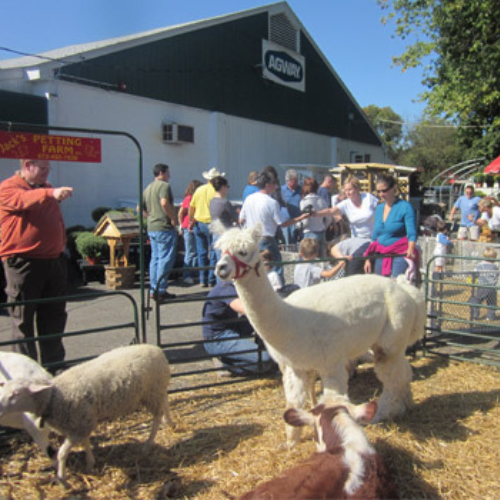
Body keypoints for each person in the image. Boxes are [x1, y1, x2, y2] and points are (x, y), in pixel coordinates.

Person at [0, 159, 73, 371]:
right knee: (23, 319)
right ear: (27, 166)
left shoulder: (46, 188)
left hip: (53, 260)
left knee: (54, 315)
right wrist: (50, 194)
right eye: (42, 169)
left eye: (48, 169)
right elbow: (22, 200)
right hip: (24, 261)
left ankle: (54, 363)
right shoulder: (9, 188)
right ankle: (25, 370)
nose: (46, 173)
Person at [239, 171, 309, 283]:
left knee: (253, 268)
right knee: (276, 266)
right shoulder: (271, 202)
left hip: (251, 239)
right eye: (274, 183)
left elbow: (241, 219)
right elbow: (282, 223)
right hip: (266, 239)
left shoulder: (249, 199)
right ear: (267, 185)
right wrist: (299, 218)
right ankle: (279, 292)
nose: (276, 186)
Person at [202, 280, 276, 374]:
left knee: (261, 316)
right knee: (265, 359)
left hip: (233, 327)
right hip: (218, 338)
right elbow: (245, 309)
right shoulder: (226, 287)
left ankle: (261, 348)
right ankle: (226, 365)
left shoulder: (241, 285)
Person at [364, 173, 418, 279]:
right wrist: (368, 258)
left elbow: (411, 232)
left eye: (384, 190)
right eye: (378, 191)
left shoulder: (405, 207)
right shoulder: (379, 208)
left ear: (393, 188)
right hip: (381, 253)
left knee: (396, 285)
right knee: (380, 284)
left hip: (400, 253)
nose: (381, 194)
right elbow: (375, 235)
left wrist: (411, 249)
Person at [142, 163, 178, 301]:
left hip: (152, 227)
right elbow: (164, 202)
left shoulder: (148, 188)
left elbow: (141, 208)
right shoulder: (164, 186)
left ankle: (153, 288)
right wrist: (172, 217)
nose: (169, 176)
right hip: (164, 226)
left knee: (155, 258)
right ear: (162, 173)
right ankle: (160, 290)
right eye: (168, 173)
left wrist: (150, 217)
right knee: (165, 258)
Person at [189, 167, 225, 287]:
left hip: (199, 222)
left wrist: (191, 220)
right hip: (212, 223)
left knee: (201, 253)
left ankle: (202, 279)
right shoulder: (216, 191)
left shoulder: (199, 190)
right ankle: (211, 279)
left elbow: (191, 207)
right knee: (214, 252)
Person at [314, 175, 379, 241]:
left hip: (373, 238)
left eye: (350, 190)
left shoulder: (368, 197)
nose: (347, 193)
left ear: (357, 189)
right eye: (346, 190)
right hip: (357, 240)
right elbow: (331, 211)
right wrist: (316, 213)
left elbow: (382, 209)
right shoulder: (345, 203)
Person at [209, 175, 239, 264]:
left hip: (215, 233)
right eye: (227, 187)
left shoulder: (212, 201)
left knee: (218, 261)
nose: (228, 189)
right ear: (223, 187)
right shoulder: (225, 203)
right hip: (226, 234)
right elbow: (235, 218)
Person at [178, 180, 202, 285]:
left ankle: (192, 273)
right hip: (188, 227)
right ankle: (187, 275)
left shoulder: (191, 198)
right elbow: (181, 213)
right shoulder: (189, 198)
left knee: (194, 252)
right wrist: (182, 225)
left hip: (192, 226)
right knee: (190, 252)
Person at [468, 247, 499, 322]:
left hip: (482, 286)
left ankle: (474, 315)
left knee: (477, 300)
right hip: (492, 288)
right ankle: (491, 317)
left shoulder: (479, 265)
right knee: (491, 303)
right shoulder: (495, 267)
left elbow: (475, 273)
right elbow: (497, 275)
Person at [299, 177, 328, 256]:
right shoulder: (322, 201)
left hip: (310, 232)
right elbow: (329, 218)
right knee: (322, 261)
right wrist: (324, 225)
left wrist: (298, 226)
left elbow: (306, 220)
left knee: (308, 258)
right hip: (321, 232)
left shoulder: (304, 201)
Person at [281, 169, 302, 245]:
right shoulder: (281, 190)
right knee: (287, 245)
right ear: (288, 181)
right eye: (294, 181)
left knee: (298, 244)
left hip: (298, 221)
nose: (296, 183)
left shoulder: (301, 189)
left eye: (296, 181)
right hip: (286, 222)